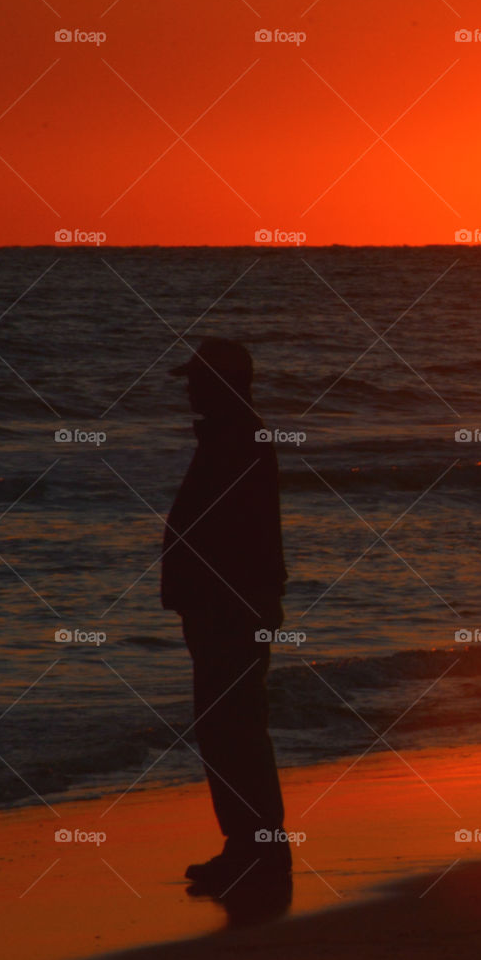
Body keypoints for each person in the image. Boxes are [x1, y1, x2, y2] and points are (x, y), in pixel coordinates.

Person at [161, 336, 290, 892]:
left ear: (223, 383)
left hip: (228, 608)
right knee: (231, 728)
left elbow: (229, 534)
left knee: (230, 728)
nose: (189, 387)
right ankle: (250, 848)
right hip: (228, 605)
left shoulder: (235, 440)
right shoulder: (234, 436)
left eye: (197, 378)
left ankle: (255, 850)